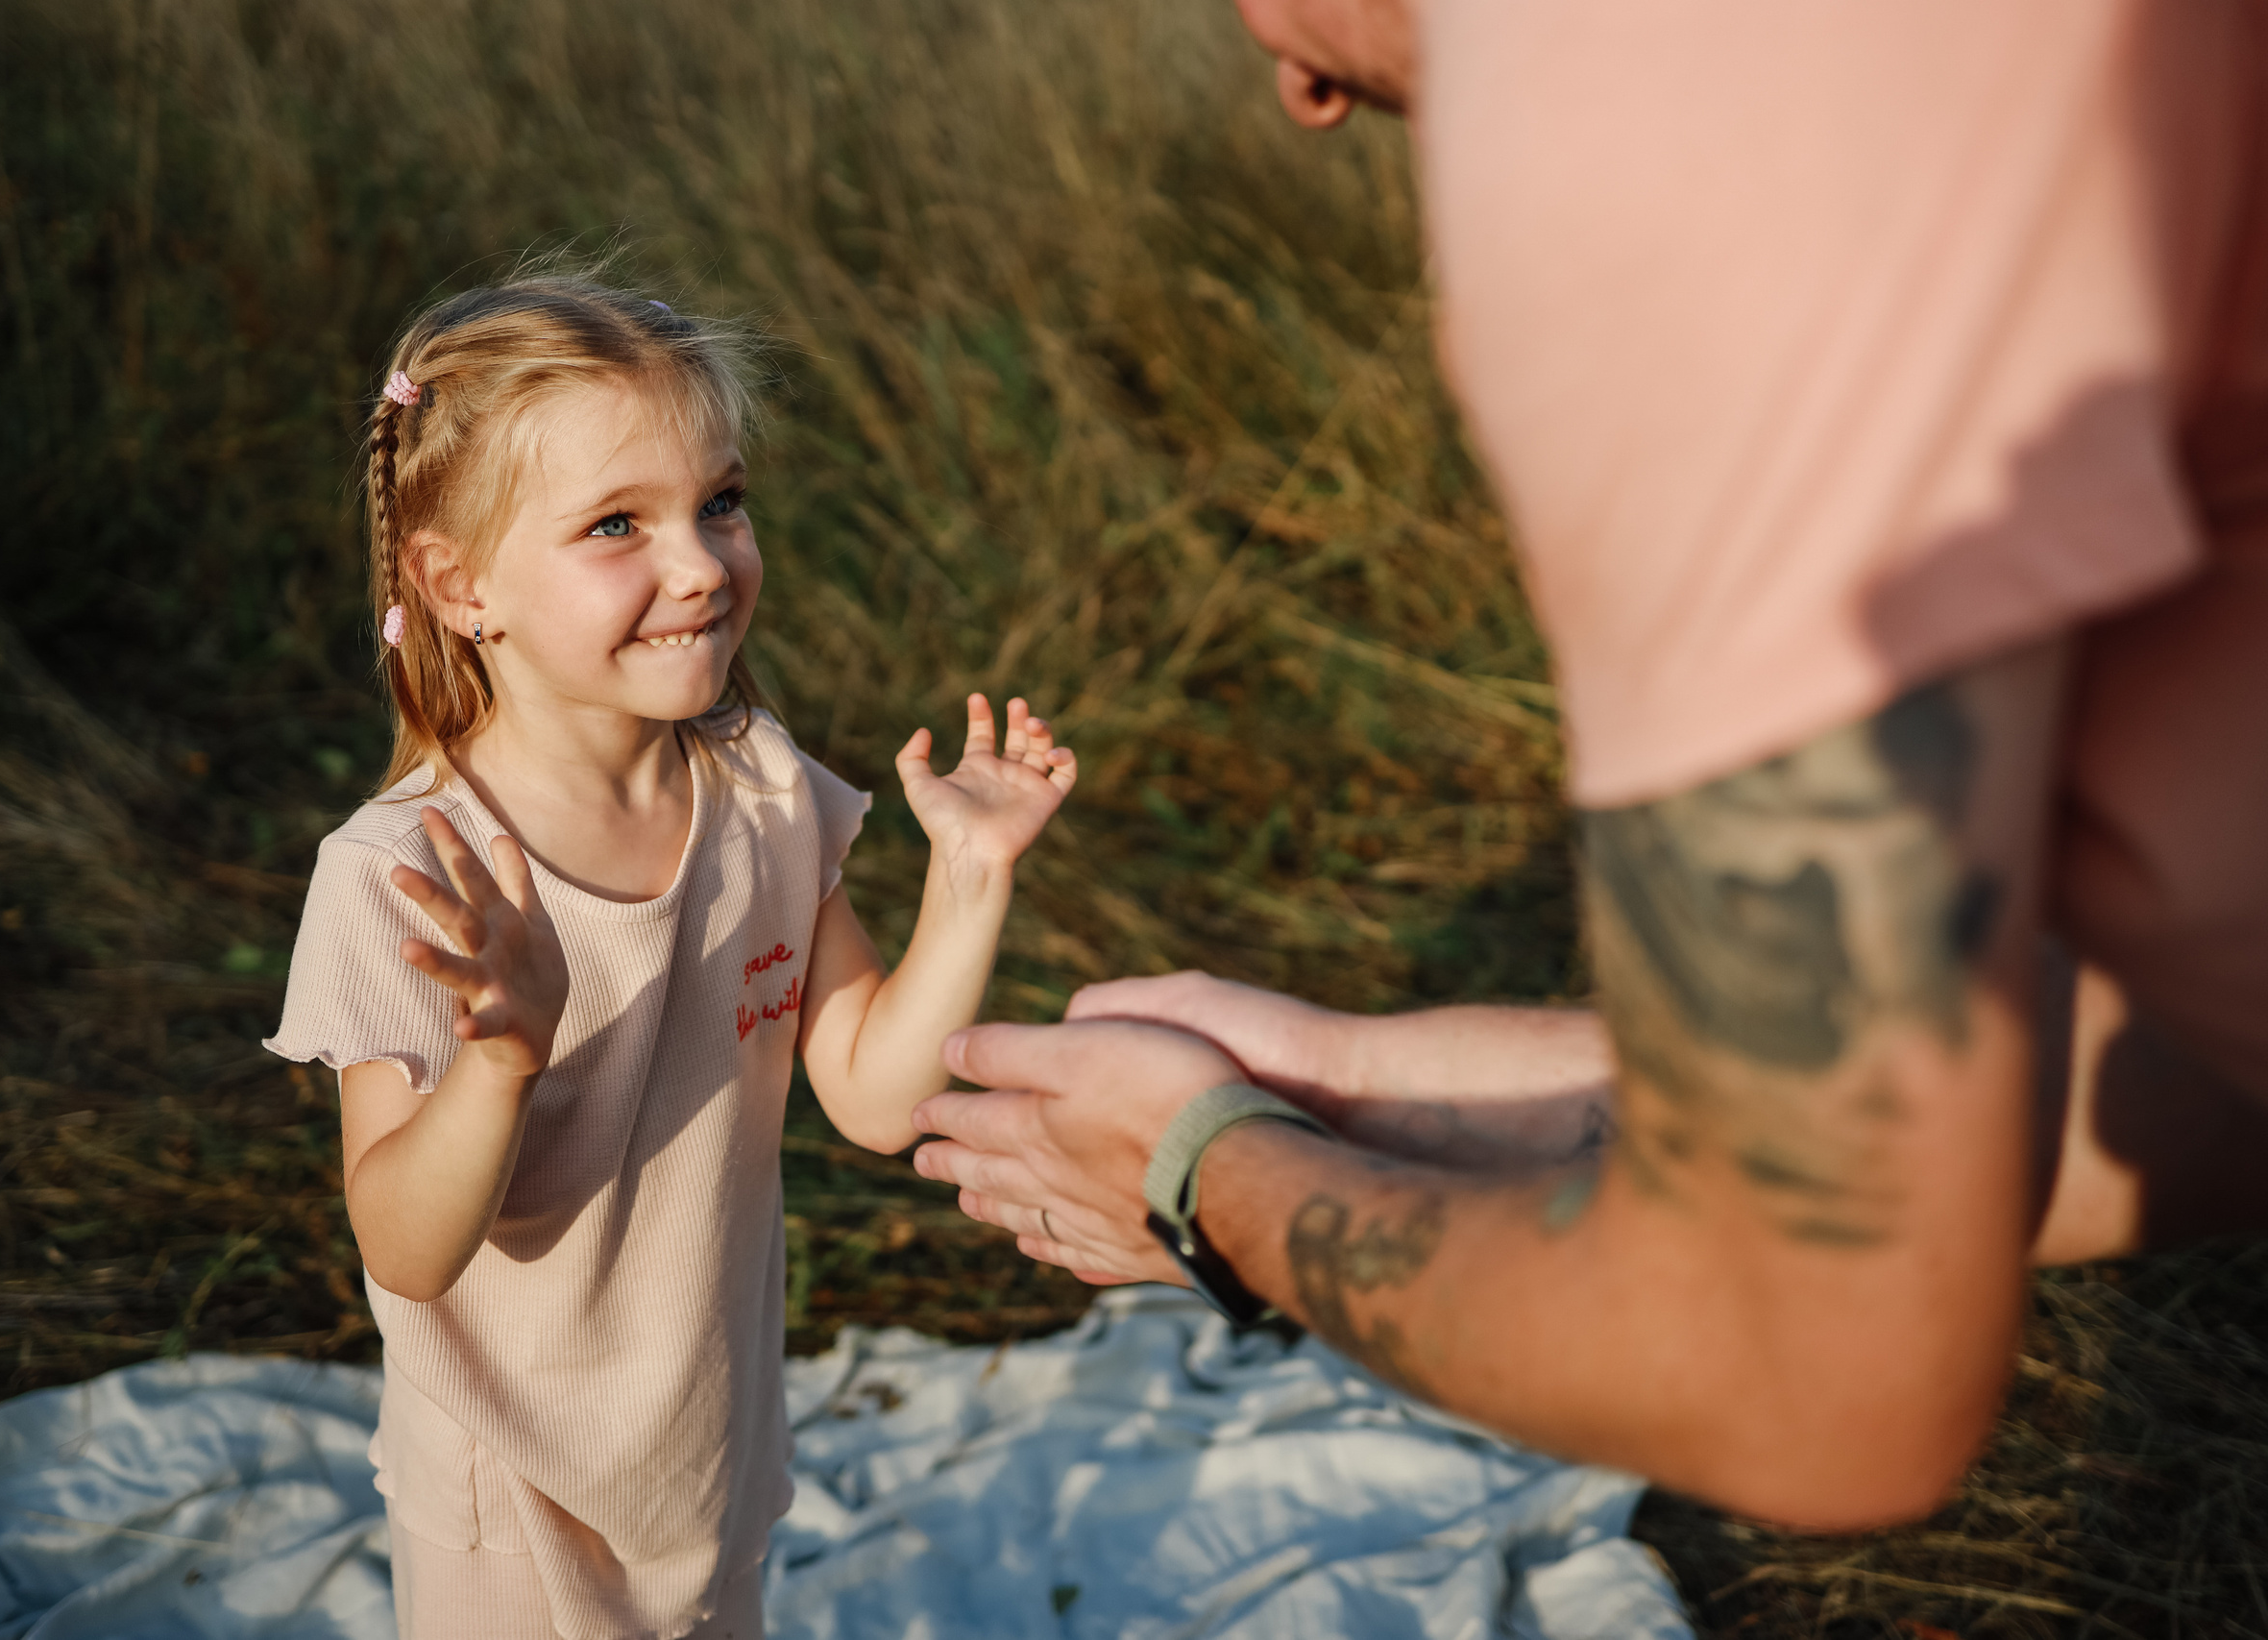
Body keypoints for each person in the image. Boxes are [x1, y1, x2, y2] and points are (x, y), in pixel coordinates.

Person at [910, 0, 2268, 1531]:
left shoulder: (1667, 91)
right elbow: (2165, 1070)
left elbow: (1808, 1380)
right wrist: (1358, 1090)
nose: (1302, 94)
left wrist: (1209, 1174)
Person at [262, 274, 1077, 1639]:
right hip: (511, 1505)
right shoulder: (409, 875)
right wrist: (501, 1062)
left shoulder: (761, 792)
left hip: (704, 1464)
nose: (699, 563)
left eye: (722, 502)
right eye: (617, 525)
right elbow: (404, 1245)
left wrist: (971, 879)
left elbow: (875, 1096)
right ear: (460, 586)